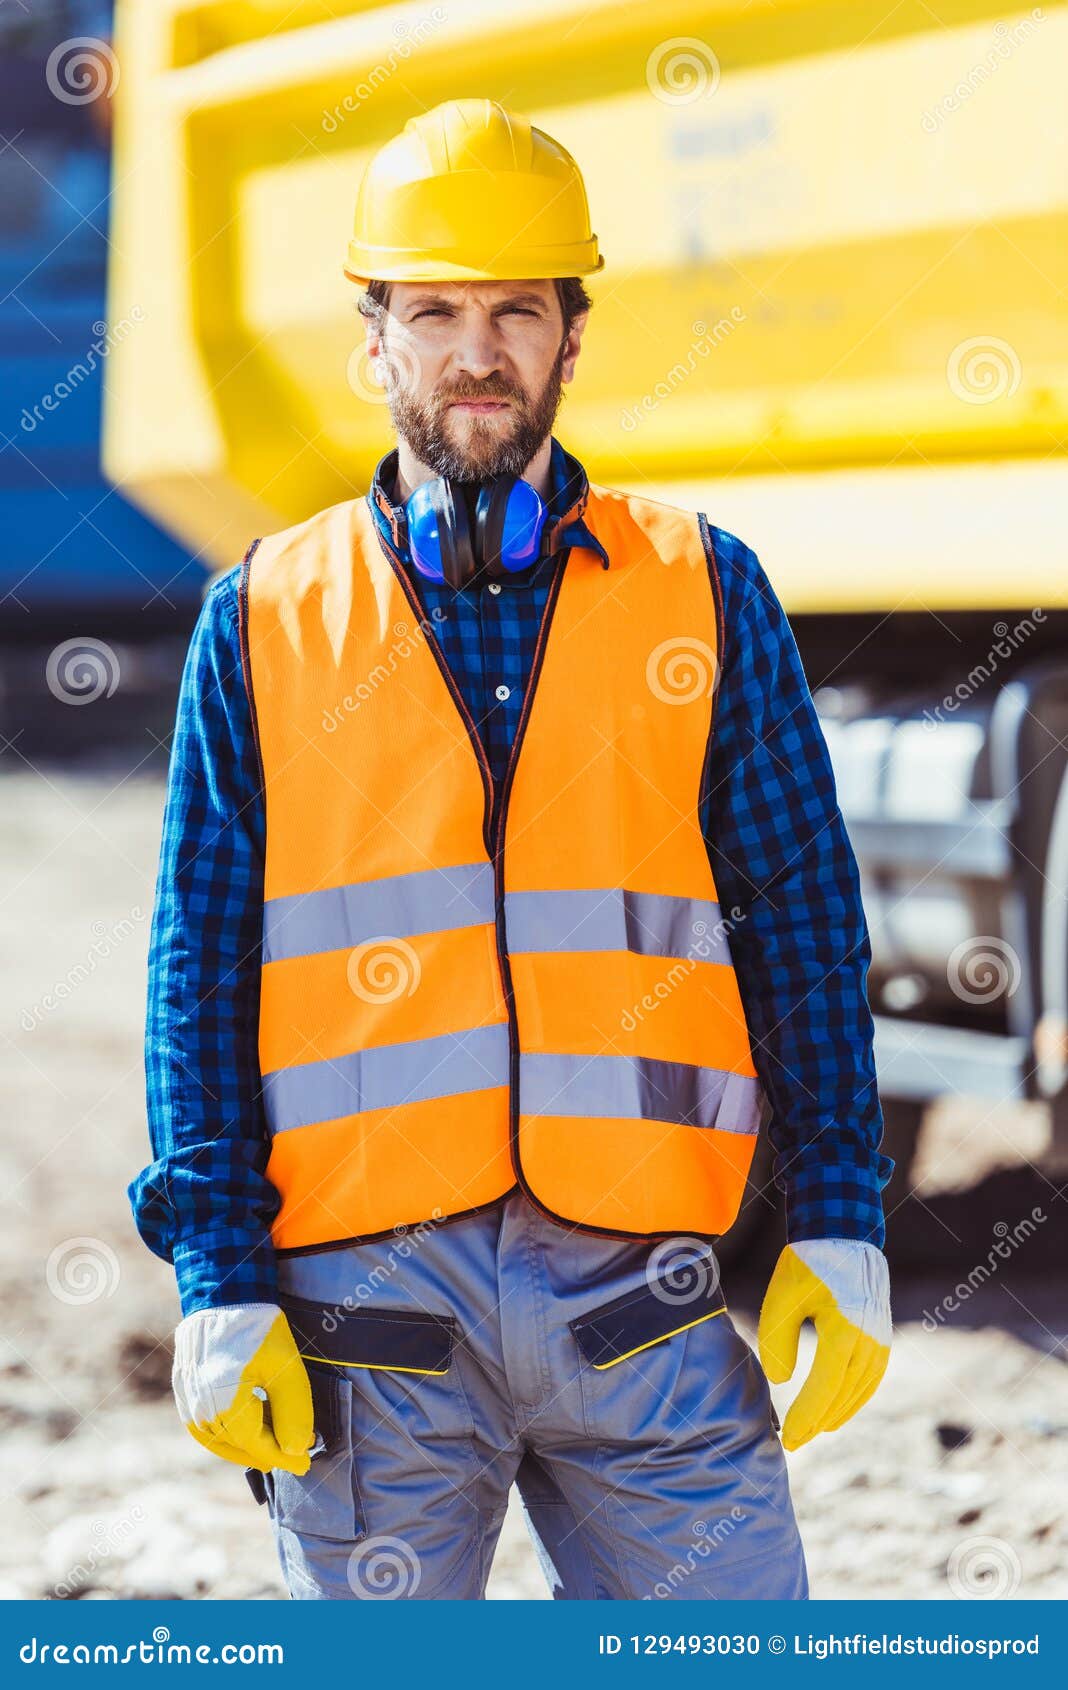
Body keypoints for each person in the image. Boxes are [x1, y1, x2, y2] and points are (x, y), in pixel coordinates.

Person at [129, 98, 893, 1602]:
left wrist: (845, 1216)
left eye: (515, 312)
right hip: (369, 1319)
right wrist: (218, 1276)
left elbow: (801, 916)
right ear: (373, 343)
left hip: (643, 1302)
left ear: (572, 338)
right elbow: (197, 963)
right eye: (433, 312)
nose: (475, 352)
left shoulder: (703, 590)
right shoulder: (266, 619)